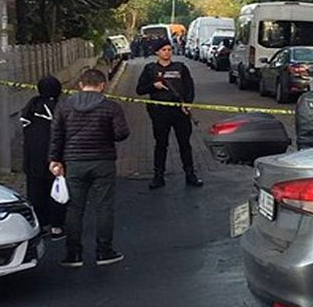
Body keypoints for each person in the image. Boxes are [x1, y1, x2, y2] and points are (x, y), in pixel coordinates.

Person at [49, 68, 129, 267]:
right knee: (104, 207)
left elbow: (56, 135)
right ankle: (104, 251)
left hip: (74, 161)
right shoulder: (111, 107)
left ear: (80, 85)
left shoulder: (64, 106)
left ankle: (73, 254)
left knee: (75, 208)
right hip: (103, 161)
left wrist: (55, 160)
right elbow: (121, 134)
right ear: (102, 86)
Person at [136, 38, 203, 189]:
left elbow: (189, 87)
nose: (167, 52)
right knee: (161, 144)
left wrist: (187, 103)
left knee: (184, 144)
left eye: (169, 49)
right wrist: (153, 86)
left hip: (180, 111)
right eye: (163, 50)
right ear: (157, 52)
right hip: (160, 112)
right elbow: (140, 90)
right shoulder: (150, 69)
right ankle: (158, 176)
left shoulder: (181, 67)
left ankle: (190, 174)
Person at [20, 75, 66, 241]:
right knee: (57, 192)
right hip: (54, 157)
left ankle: (39, 225)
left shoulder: (31, 106)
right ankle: (57, 227)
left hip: (32, 158)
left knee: (35, 193)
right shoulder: (59, 108)